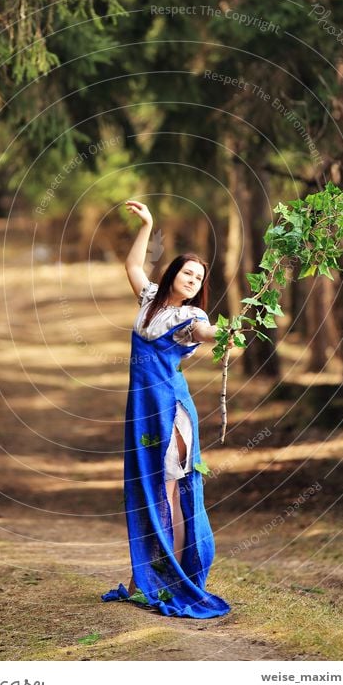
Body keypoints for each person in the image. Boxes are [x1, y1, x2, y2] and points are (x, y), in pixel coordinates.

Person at [101, 199, 234, 619]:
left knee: (172, 492)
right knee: (147, 491)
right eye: (188, 272)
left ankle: (175, 579)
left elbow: (207, 332)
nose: (194, 280)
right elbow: (132, 265)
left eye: (200, 277)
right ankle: (147, 578)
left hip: (170, 409)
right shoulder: (151, 300)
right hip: (141, 408)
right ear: (174, 273)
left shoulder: (191, 316)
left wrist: (231, 333)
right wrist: (149, 225)